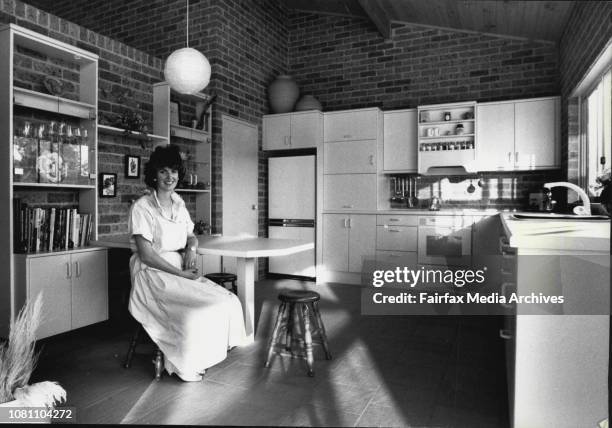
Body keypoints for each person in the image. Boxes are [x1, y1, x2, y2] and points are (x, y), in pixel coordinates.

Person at [128, 144, 246, 381]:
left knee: (227, 299)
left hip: (179, 269)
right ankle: (187, 362)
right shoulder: (142, 207)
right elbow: (147, 255)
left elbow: (190, 235)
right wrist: (181, 275)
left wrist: (192, 247)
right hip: (152, 274)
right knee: (200, 309)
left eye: (173, 171)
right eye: (163, 171)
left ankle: (204, 354)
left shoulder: (178, 204)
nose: (169, 177)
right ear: (154, 174)